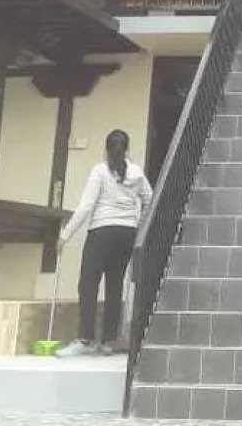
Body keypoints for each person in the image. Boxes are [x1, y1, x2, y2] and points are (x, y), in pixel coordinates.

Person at [53, 128, 152, 357]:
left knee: (88, 283)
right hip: (127, 233)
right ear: (127, 149)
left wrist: (65, 235)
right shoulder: (136, 172)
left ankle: (86, 339)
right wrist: (138, 225)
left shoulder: (100, 171)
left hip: (101, 232)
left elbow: (86, 206)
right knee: (115, 285)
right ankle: (109, 339)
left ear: (106, 149)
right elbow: (149, 199)